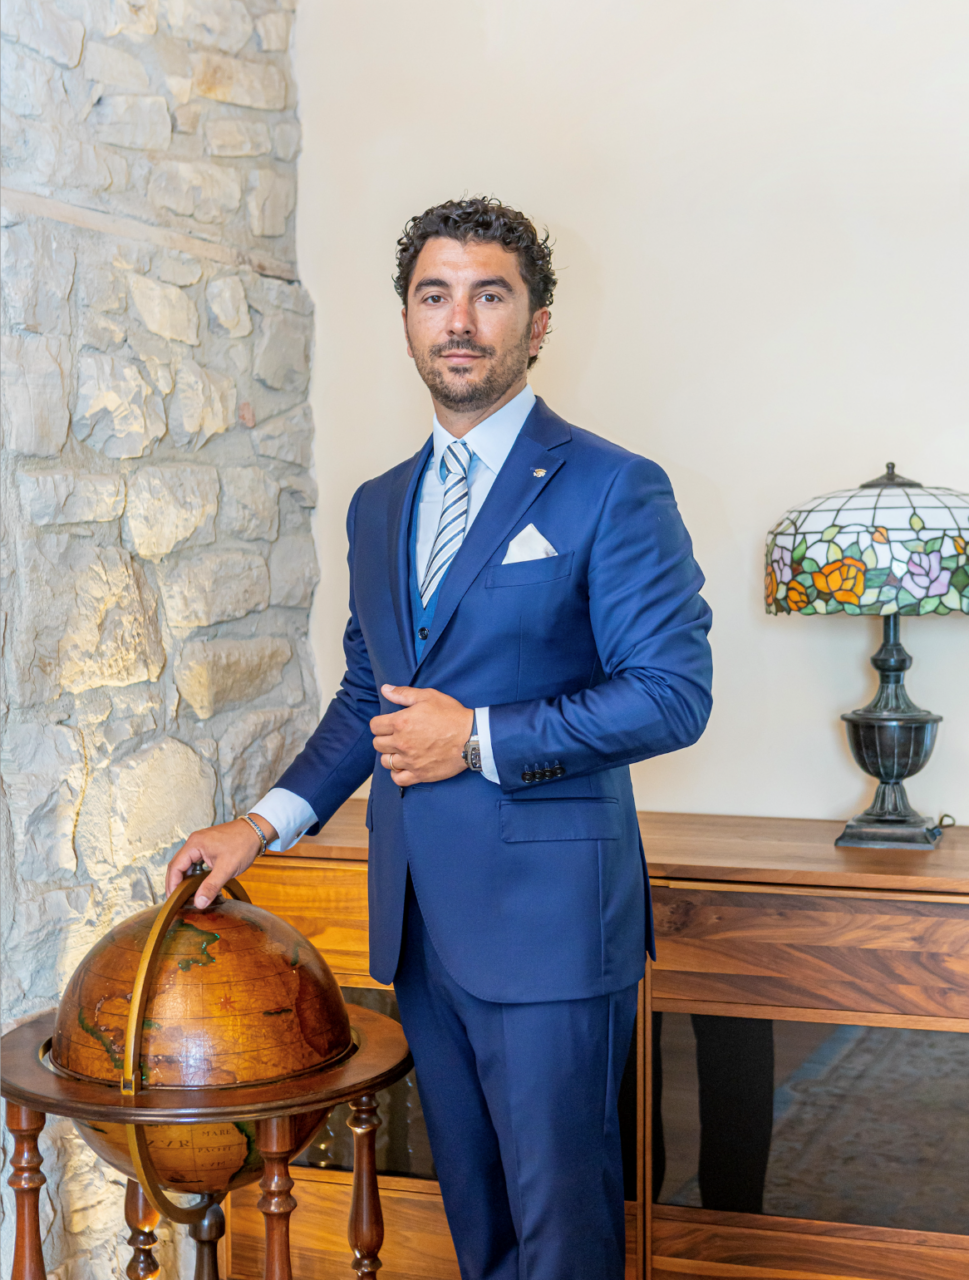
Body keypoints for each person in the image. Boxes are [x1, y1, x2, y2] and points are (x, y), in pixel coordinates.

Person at [166, 197, 713, 1280]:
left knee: (562, 1236)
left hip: (553, 931)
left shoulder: (613, 485)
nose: (458, 320)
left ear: (536, 324)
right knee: (481, 1227)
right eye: (434, 295)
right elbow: (367, 695)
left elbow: (671, 694)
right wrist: (260, 823)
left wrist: (478, 738)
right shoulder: (378, 504)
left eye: (488, 295)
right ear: (409, 320)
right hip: (421, 926)